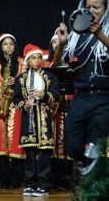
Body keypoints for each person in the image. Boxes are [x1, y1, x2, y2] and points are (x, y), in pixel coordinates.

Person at [53, 0, 109, 167]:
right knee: (73, 146)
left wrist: (99, 34)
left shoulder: (106, 32)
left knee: (96, 147)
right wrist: (61, 44)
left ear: (106, 8)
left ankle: (91, 186)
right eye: (88, 7)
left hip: (104, 98)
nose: (92, 11)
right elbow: (57, 64)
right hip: (81, 97)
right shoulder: (78, 34)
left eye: (97, 7)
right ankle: (88, 171)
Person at [12, 44, 59, 197]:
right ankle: (30, 183)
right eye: (33, 58)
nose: (37, 61)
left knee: (44, 153)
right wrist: (23, 104)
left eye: (39, 58)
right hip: (28, 120)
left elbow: (55, 95)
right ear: (27, 61)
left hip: (44, 120)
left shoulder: (50, 77)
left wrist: (43, 95)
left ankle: (43, 184)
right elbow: (16, 98)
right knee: (30, 154)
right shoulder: (21, 79)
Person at [0, 33, 25, 189]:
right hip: (0, 107)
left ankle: (16, 179)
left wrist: (17, 81)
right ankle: (3, 179)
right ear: (0, 48)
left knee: (16, 144)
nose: (9, 47)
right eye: (5, 44)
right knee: (0, 144)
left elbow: (28, 83)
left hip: (17, 107)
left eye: (11, 44)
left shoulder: (22, 63)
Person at [43, 31, 74, 190]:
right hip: (52, 110)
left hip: (68, 109)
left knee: (66, 143)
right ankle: (53, 178)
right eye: (55, 44)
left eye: (60, 44)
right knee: (53, 143)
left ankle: (67, 177)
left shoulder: (72, 64)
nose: (57, 46)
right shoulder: (46, 66)